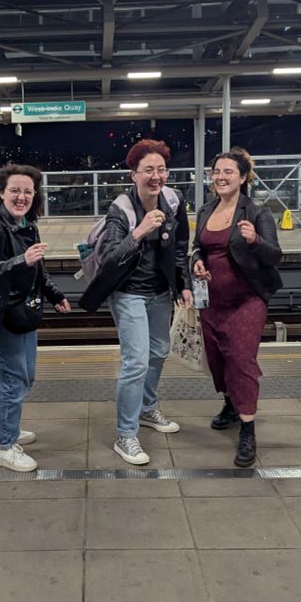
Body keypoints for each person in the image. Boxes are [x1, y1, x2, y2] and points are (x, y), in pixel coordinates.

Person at [80, 139, 193, 465]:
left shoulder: (173, 200)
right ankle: (125, 435)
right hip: (128, 292)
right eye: (148, 170)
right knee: (136, 362)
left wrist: (183, 285)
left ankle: (147, 408)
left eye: (161, 169)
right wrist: (140, 231)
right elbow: (111, 257)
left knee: (159, 352)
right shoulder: (122, 210)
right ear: (134, 175)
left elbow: (180, 246)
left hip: (160, 292)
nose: (156, 176)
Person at [0, 164, 71, 472]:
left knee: (24, 377)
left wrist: (54, 294)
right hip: (1, 316)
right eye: (15, 190)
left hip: (23, 313)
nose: (22, 197)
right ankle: (4, 447)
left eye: (28, 191)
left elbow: (38, 269)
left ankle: (4, 429)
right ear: (1, 193)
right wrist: (20, 261)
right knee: (14, 381)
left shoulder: (27, 224)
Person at [191, 148, 283, 467]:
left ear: (243, 177)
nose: (221, 176)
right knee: (218, 359)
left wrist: (255, 240)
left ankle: (247, 428)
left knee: (242, 360)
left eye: (228, 171)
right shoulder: (206, 210)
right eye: (217, 171)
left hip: (247, 300)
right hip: (211, 302)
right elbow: (198, 247)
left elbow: (274, 255)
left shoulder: (257, 212)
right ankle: (231, 404)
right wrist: (197, 262)